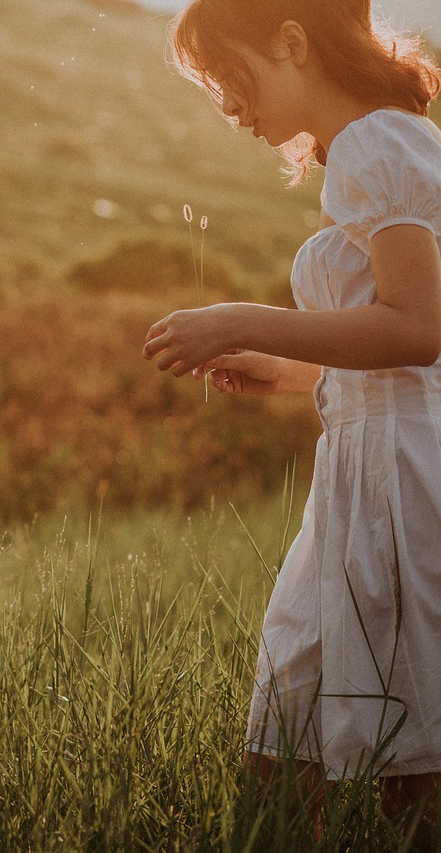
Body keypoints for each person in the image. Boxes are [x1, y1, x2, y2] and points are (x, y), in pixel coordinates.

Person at [142, 0, 441, 844]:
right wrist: (285, 368)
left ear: (291, 41)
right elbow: (386, 344)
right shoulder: (373, 146)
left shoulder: (378, 145)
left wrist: (243, 319)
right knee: (284, 725)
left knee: (412, 754)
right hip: (360, 470)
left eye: (226, 76)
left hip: (403, 475)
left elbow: (419, 330)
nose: (227, 106)